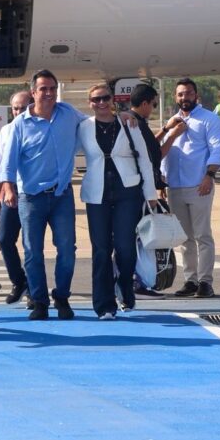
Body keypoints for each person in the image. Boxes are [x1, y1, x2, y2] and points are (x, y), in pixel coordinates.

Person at [0, 69, 87, 320]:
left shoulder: (68, 113)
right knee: (33, 251)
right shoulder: (19, 125)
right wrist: (7, 187)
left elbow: (92, 123)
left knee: (67, 249)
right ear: (33, 93)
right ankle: (39, 301)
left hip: (61, 195)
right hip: (31, 197)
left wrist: (121, 114)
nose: (48, 93)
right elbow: (8, 161)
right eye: (43, 89)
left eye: (52, 89)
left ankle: (62, 296)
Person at [78, 84, 159, 319]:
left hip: (127, 190)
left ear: (112, 100)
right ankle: (104, 305)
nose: (101, 103)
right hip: (97, 193)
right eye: (95, 100)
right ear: (89, 103)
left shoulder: (128, 123)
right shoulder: (83, 127)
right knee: (101, 250)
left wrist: (150, 194)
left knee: (125, 248)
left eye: (105, 98)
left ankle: (125, 287)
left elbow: (144, 159)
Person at [160, 78, 220, 298]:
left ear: (196, 95)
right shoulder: (173, 120)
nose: (183, 98)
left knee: (202, 235)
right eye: (180, 94)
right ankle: (190, 280)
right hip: (175, 186)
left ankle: (206, 282)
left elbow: (217, 150)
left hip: (199, 185)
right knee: (184, 238)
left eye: (187, 94)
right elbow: (167, 149)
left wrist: (210, 175)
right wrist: (162, 179)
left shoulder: (209, 119)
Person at [129, 83, 176, 299]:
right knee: (143, 239)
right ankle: (141, 281)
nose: (154, 108)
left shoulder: (135, 123)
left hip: (134, 190)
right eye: (154, 104)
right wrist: (174, 136)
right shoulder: (136, 124)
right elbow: (154, 156)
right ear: (145, 103)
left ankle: (134, 280)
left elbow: (150, 148)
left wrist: (165, 130)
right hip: (139, 193)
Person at [0, 90, 33, 305]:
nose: (18, 111)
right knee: (5, 239)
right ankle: (19, 281)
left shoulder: (39, 127)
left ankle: (33, 292)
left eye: (23, 107)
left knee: (30, 243)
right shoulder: (7, 131)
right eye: (15, 108)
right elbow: (0, 166)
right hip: (10, 193)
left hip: (31, 192)